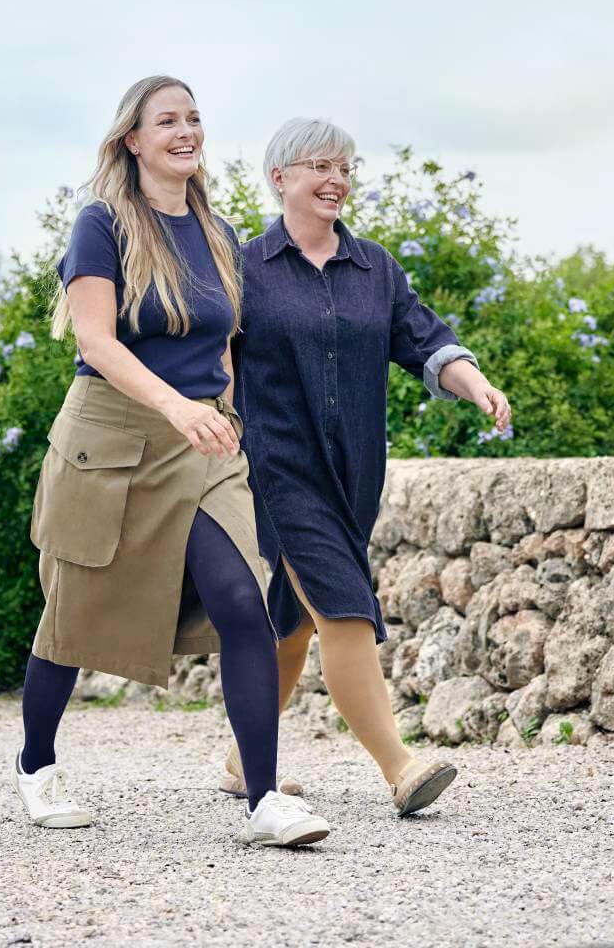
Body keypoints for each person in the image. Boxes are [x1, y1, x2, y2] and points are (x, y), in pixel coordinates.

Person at [14, 77, 329, 848]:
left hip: (200, 444)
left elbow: (221, 336)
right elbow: (96, 342)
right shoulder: (102, 225)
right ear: (133, 139)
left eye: (192, 118)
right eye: (166, 120)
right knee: (71, 616)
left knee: (238, 599)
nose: (184, 130)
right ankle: (37, 764)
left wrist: (215, 406)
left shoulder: (217, 232)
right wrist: (175, 406)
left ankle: (263, 801)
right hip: (110, 440)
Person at [225, 117, 512, 815]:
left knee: (293, 620)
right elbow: (210, 356)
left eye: (345, 168)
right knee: (345, 609)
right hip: (274, 468)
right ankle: (399, 766)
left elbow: (422, 338)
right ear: (281, 178)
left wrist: (470, 379)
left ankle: (241, 757)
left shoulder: (374, 267)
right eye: (319, 166)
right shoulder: (240, 269)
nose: (336, 180)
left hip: (352, 478)